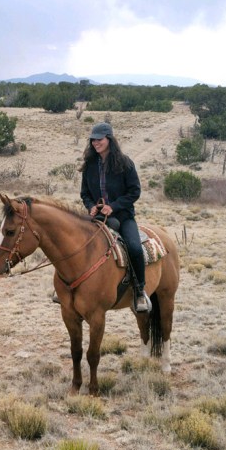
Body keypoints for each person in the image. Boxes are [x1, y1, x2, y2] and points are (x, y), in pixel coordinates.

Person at [78, 122, 151, 313]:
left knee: (134, 248)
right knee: (74, 242)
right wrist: (91, 206)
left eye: (99, 139)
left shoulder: (125, 163)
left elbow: (134, 191)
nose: (95, 143)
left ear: (109, 139)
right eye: (93, 140)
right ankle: (66, 287)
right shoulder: (89, 165)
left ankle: (139, 291)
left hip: (123, 216)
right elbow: (84, 193)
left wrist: (115, 206)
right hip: (97, 218)